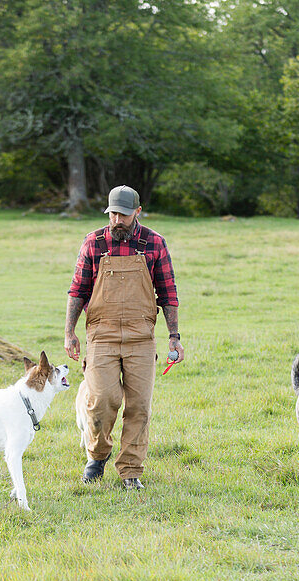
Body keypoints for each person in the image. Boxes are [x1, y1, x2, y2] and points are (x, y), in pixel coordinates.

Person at [64, 185, 184, 489]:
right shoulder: (94, 243)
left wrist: (174, 336)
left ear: (137, 213)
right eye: (113, 213)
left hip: (141, 337)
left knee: (139, 406)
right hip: (101, 335)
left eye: (123, 214)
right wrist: (70, 332)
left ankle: (131, 470)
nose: (117, 219)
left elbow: (168, 293)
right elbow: (78, 290)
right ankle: (97, 454)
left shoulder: (154, 243)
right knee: (102, 398)